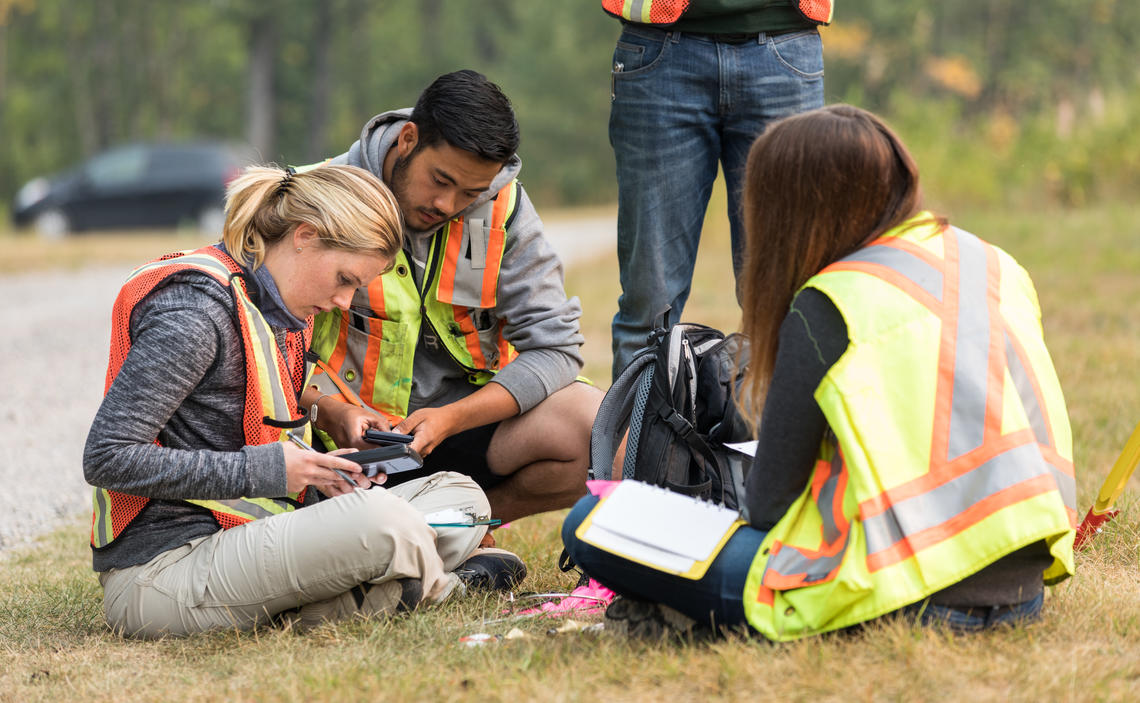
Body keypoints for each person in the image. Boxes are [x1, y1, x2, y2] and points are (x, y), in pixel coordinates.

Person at [562, 105, 1078, 641]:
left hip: (900, 591)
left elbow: (767, 506)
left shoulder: (833, 301)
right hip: (1024, 583)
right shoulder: (992, 264)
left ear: (789, 212)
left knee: (592, 521)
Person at [84, 164, 495, 639]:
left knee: (462, 496)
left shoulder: (277, 307)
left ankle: (384, 586)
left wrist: (325, 471)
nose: (345, 301)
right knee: (384, 522)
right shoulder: (194, 313)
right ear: (305, 235)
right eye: (344, 278)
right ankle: (435, 584)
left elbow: (254, 416)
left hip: (252, 540)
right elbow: (107, 457)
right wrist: (273, 469)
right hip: (162, 572)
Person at [305, 70, 603, 525]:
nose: (447, 204)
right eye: (440, 180)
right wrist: (331, 411)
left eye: (470, 192)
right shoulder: (317, 200)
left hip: (457, 432)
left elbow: (555, 350)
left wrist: (452, 419)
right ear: (408, 139)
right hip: (337, 450)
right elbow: (261, 352)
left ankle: (464, 529)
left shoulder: (506, 209)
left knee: (595, 426)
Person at [604, 0, 830, 382]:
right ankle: (634, 442)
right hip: (658, 51)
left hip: (786, 45)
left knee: (789, 300)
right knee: (648, 305)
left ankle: (778, 442)